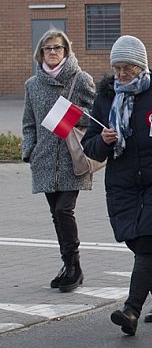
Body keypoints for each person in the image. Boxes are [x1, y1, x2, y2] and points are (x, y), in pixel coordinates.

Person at [82, 35, 152, 335]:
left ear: (142, 67)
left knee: (149, 242)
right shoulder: (106, 97)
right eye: (117, 68)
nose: (121, 75)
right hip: (123, 183)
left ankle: (132, 309)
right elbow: (89, 145)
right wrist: (101, 140)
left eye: (128, 68)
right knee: (134, 240)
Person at [22, 29, 95, 292]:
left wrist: (72, 114)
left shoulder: (80, 79)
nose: (52, 52)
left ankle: (74, 267)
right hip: (43, 160)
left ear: (67, 51)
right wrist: (29, 151)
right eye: (47, 48)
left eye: (58, 48)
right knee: (56, 214)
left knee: (65, 210)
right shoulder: (32, 85)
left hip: (71, 158)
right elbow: (28, 123)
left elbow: (95, 116)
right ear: (40, 53)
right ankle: (68, 265)